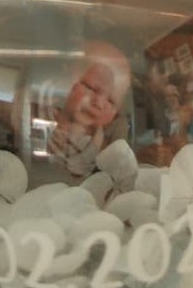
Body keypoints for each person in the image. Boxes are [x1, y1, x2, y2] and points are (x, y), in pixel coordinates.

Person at [30, 40, 132, 184]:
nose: (99, 103)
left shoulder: (103, 147)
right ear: (65, 82)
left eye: (111, 101)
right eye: (91, 88)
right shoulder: (36, 110)